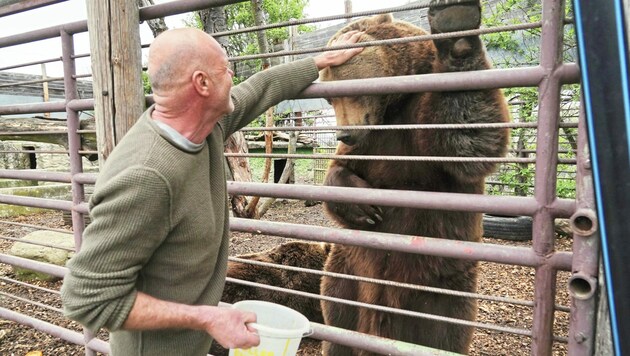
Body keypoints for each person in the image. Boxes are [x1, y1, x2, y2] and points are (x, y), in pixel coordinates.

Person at [60, 27, 363, 356]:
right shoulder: (146, 177)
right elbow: (86, 297)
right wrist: (204, 317)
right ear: (202, 84)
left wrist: (322, 60)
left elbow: (261, 88)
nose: (233, 75)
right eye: (226, 68)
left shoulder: (207, 127)